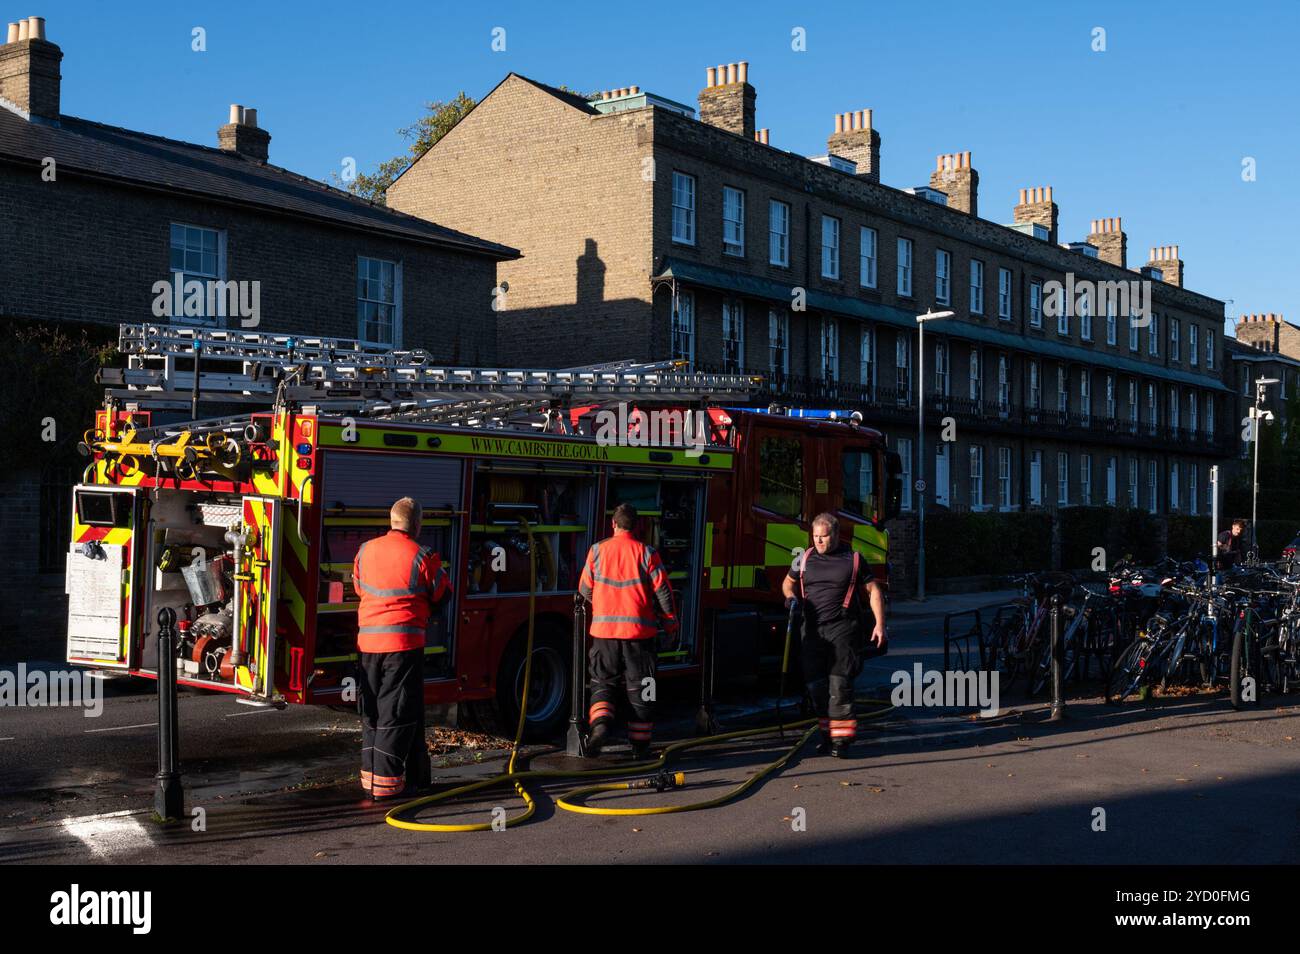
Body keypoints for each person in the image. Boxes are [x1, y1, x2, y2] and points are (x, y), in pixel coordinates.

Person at [352, 497, 450, 800]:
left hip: (367, 643)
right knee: (397, 712)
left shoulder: (365, 550)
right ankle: (386, 784)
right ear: (417, 524)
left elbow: (358, 587)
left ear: (391, 520)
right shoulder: (423, 555)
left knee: (372, 712)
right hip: (403, 645)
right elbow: (442, 593)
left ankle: (370, 780)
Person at [782, 512, 886, 758]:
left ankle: (841, 742)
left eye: (823, 536)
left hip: (843, 631)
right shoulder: (803, 558)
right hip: (812, 632)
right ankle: (828, 736)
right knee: (816, 688)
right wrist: (790, 598)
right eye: (815, 536)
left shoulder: (855, 560)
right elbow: (787, 583)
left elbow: (874, 591)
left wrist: (879, 624)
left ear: (837, 535)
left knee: (839, 687)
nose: (818, 541)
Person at [578, 502, 678, 758]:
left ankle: (600, 727)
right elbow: (664, 592)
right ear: (638, 526)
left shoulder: (597, 551)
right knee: (644, 686)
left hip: (603, 633)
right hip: (638, 635)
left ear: (613, 524)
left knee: (602, 682)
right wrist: (670, 624)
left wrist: (602, 605)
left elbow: (584, 589)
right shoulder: (647, 553)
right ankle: (640, 745)